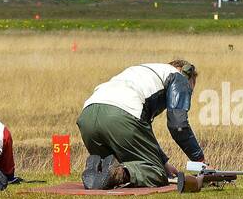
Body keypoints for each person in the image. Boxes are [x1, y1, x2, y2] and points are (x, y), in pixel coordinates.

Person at [76, 60, 204, 189]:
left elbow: (144, 133)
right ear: (186, 75)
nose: (187, 95)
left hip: (87, 117)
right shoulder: (179, 77)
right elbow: (178, 126)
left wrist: (164, 162)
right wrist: (200, 162)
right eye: (189, 91)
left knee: (111, 165)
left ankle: (98, 165)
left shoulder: (143, 72)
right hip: (121, 115)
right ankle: (117, 173)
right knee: (156, 173)